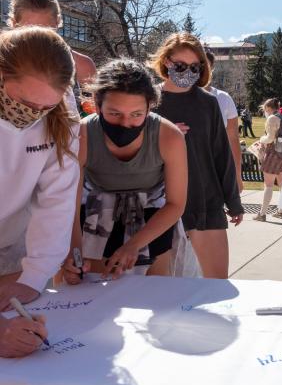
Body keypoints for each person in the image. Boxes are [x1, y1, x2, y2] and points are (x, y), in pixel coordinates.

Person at [62, 59, 187, 283]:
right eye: (114, 113)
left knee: (154, 295)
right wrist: (74, 249)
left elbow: (176, 204)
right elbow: (69, 199)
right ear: (97, 105)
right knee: (95, 293)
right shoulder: (82, 135)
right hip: (95, 216)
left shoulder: (169, 136)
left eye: (137, 114)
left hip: (154, 219)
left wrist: (133, 245)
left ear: (150, 107)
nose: (126, 123)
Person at [0, 27, 79, 356]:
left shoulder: (62, 123)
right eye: (21, 102)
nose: (30, 114)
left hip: (13, 241)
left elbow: (56, 205)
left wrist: (33, 277)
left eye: (43, 107)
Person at [150, 33, 243, 279]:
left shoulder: (209, 103)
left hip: (205, 201)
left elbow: (221, 155)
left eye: (194, 67)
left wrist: (233, 201)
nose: (187, 72)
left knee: (218, 287)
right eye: (180, 66)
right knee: (159, 293)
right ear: (166, 62)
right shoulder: (147, 101)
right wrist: (160, 138)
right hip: (157, 205)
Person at [8, 0, 96, 111]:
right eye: (29, 31)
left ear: (58, 22)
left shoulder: (82, 66)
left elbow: (91, 116)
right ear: (13, 23)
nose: (39, 40)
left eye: (47, 30)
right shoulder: (3, 62)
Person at [205, 51, 243, 192]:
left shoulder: (224, 99)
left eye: (206, 66)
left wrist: (237, 176)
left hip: (216, 174)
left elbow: (233, 139)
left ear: (212, 68)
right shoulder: (180, 98)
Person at [252, 98, 282, 222]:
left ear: (268, 108)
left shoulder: (272, 118)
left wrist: (261, 139)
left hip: (273, 155)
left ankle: (262, 213)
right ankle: (281, 211)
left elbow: (270, 138)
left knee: (268, 185)